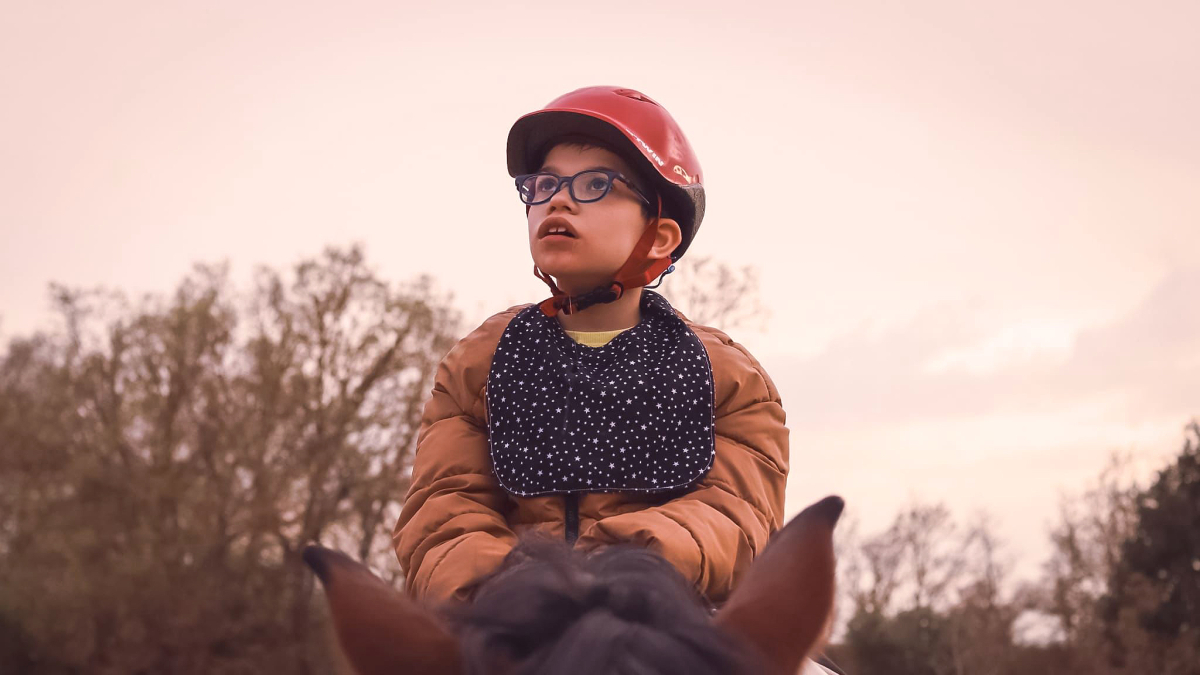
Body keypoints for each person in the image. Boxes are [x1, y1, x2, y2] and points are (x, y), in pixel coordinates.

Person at [392, 86, 789, 608]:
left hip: (661, 616)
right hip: (507, 618)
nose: (557, 199)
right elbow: (443, 507)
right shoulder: (478, 362)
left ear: (661, 236)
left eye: (596, 184)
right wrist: (513, 589)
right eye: (543, 184)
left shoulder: (730, 377)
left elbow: (737, 515)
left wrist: (618, 570)